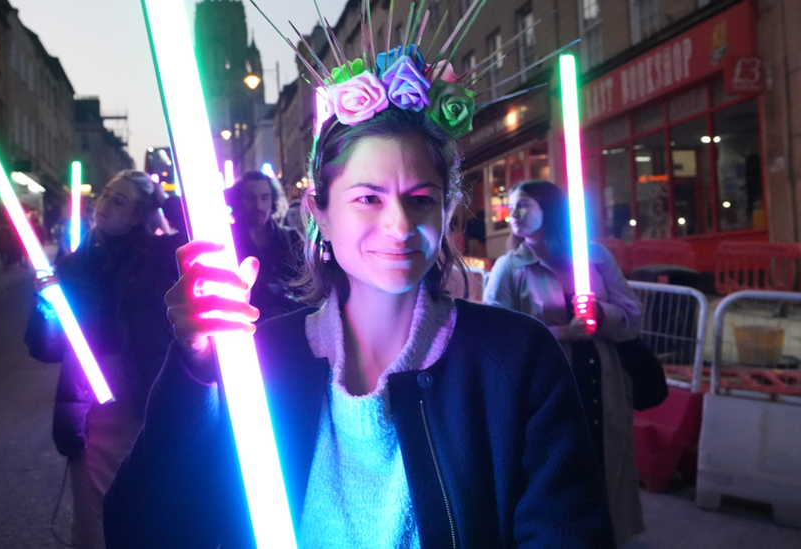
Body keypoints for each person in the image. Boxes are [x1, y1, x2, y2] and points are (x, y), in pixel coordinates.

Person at [104, 108, 614, 547]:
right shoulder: (257, 363)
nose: (398, 224)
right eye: (368, 198)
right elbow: (143, 531)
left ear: (446, 210)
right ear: (319, 215)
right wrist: (194, 373)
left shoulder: (518, 359)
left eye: (420, 199)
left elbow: (567, 532)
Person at [482, 180, 644, 547]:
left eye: (524, 205)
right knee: (558, 474)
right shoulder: (510, 267)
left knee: (607, 468)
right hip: (547, 392)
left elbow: (633, 315)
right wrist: (562, 332)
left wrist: (602, 314)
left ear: (550, 210)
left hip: (602, 387)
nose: (514, 214)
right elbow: (498, 339)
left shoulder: (595, 258)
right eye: (512, 206)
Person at [30, 169, 182, 549]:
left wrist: (161, 203)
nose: (104, 205)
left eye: (120, 200)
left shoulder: (161, 258)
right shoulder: (71, 266)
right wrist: (47, 307)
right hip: (91, 406)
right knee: (95, 516)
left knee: (155, 505)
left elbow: (192, 227)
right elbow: (45, 348)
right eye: (104, 195)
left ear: (138, 215)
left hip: (145, 399)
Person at [225, 170, 303, 317]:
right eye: (250, 198)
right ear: (238, 200)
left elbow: (309, 290)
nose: (258, 205)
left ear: (272, 200)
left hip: (287, 327)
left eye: (265, 198)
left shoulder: (292, 238)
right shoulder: (227, 242)